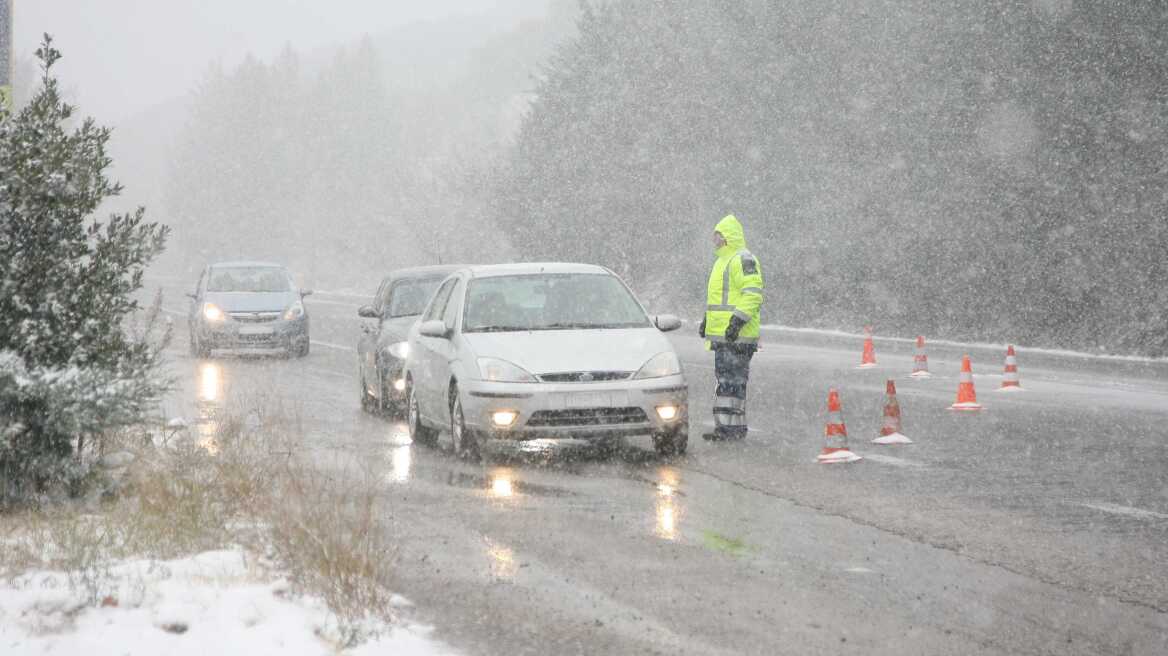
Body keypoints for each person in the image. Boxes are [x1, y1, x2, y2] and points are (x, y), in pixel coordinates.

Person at [698, 214, 765, 441]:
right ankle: (726, 429)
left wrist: (737, 321)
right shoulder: (722, 262)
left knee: (732, 384)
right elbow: (719, 299)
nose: (714, 240)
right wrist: (707, 321)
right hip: (725, 338)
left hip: (738, 337)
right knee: (726, 384)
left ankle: (731, 430)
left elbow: (753, 294)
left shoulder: (743, 259)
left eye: (718, 236)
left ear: (728, 237)